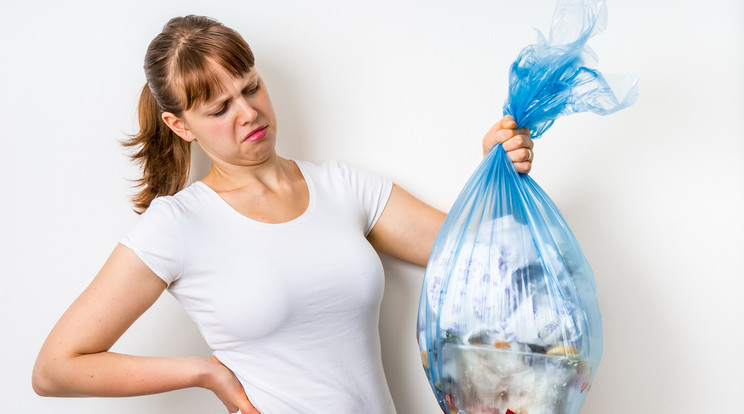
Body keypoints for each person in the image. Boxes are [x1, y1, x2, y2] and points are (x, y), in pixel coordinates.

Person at [32, 15, 533, 414]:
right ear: (179, 126)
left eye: (250, 88)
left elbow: (479, 255)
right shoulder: (177, 224)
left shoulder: (343, 186)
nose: (248, 113)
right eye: (219, 108)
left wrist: (497, 168)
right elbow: (55, 369)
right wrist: (205, 372)